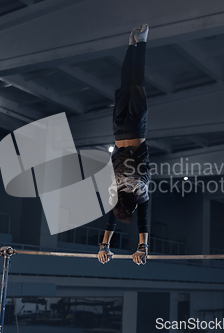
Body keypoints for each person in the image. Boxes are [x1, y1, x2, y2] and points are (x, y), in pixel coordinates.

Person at [98, 24, 151, 266]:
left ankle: (141, 43)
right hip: (118, 131)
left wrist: (143, 246)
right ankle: (132, 45)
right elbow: (111, 218)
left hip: (137, 129)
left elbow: (143, 217)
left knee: (137, 82)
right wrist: (103, 245)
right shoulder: (114, 190)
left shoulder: (140, 190)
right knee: (125, 84)